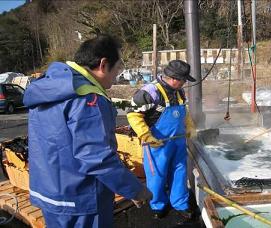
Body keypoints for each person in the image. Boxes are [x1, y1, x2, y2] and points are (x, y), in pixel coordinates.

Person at [23, 34, 152, 228]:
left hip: (49, 193)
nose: (117, 75)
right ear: (102, 65)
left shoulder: (50, 86)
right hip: (82, 199)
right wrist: (134, 190)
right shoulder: (87, 97)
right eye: (117, 69)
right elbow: (97, 158)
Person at [127, 60, 197, 219]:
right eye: (184, 80)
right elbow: (133, 114)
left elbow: (183, 112)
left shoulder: (179, 92)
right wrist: (146, 135)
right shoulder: (149, 92)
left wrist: (190, 126)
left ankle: (180, 202)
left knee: (180, 172)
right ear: (175, 78)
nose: (185, 83)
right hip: (156, 143)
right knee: (157, 175)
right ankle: (158, 204)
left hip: (178, 142)